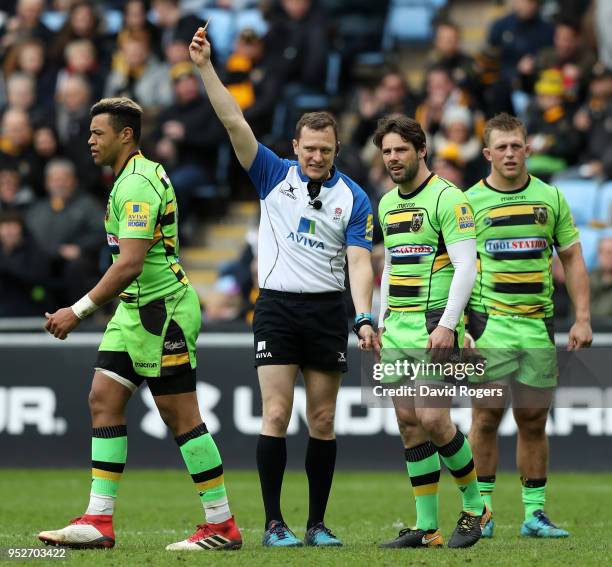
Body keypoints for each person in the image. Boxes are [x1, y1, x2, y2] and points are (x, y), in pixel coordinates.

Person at [189, 26, 378, 548]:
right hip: (275, 308)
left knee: (322, 418)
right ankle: (275, 523)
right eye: (309, 148)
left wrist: (363, 315)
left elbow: (359, 262)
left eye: (325, 149)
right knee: (276, 412)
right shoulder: (273, 173)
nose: (316, 156)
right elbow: (233, 119)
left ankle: (317, 524)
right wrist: (206, 67)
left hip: (325, 312)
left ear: (337, 148)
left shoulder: (355, 198)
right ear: (294, 146)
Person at [38, 97, 242, 552]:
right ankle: (99, 519)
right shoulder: (128, 179)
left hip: (162, 311)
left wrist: (78, 310)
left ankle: (222, 526)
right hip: (134, 310)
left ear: (125, 134)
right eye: (89, 133)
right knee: (103, 398)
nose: (90, 140)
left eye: (98, 132)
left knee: (180, 416)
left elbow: (129, 263)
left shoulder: (138, 185)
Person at [465, 112, 592, 539]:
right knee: (485, 418)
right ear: (487, 153)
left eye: (516, 145)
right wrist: (456, 325)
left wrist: (583, 318)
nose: (509, 153)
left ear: (528, 149)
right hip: (488, 326)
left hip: (536, 324)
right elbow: (453, 267)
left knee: (533, 419)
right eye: (500, 147)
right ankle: (480, 512)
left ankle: (534, 515)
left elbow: (572, 258)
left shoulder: (550, 199)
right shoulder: (468, 202)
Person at [373, 114, 489, 550]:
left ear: (421, 150)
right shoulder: (386, 203)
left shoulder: (448, 198)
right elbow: (389, 268)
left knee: (434, 418)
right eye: (386, 151)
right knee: (408, 424)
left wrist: (445, 326)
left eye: (401, 149)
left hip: (432, 327)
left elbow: (466, 266)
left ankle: (477, 507)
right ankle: (427, 528)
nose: (393, 158)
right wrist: (380, 318)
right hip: (398, 329)